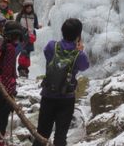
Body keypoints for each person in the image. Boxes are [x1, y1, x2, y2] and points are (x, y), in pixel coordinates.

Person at [33, 18, 90, 146]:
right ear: (78, 35)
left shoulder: (51, 46)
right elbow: (85, 66)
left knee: (41, 133)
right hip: (66, 99)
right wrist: (80, 50)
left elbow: (47, 54)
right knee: (60, 136)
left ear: (62, 31)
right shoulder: (79, 55)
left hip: (48, 95)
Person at [15, 0, 42, 78]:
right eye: (27, 7)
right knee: (23, 53)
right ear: (24, 7)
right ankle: (21, 70)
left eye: (30, 7)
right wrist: (22, 30)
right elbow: (16, 25)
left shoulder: (34, 15)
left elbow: (35, 25)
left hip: (30, 38)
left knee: (27, 54)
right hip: (22, 37)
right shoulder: (20, 15)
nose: (29, 9)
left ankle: (25, 70)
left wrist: (38, 26)